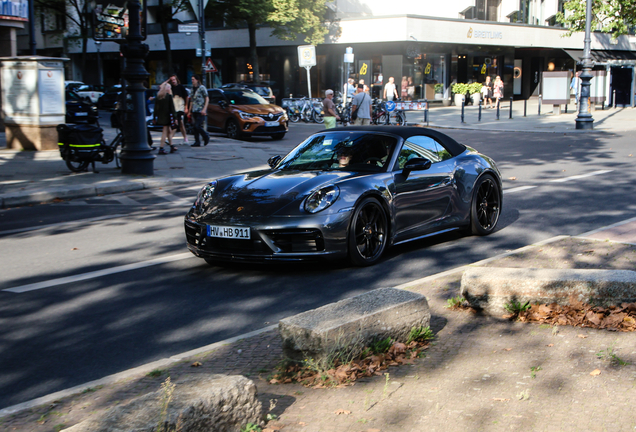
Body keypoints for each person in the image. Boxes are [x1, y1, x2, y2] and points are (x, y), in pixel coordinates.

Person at [154, 82, 178, 155]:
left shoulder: (158, 97)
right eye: (169, 88)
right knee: (165, 132)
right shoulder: (169, 96)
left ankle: (171, 146)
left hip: (161, 117)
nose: (170, 89)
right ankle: (161, 148)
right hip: (167, 117)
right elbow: (172, 108)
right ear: (167, 88)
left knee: (168, 132)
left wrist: (155, 117)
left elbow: (156, 108)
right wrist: (175, 117)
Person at [167, 75, 189, 145]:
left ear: (177, 80)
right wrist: (168, 80)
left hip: (180, 107)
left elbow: (186, 97)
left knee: (178, 121)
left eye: (174, 79)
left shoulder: (181, 87)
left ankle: (170, 137)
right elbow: (161, 86)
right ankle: (185, 138)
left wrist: (186, 107)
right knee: (181, 124)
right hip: (174, 107)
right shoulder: (170, 88)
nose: (173, 81)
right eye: (172, 80)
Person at [189, 74, 209, 147]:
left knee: (198, 125)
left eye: (193, 79)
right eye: (191, 80)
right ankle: (197, 141)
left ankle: (205, 136)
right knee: (195, 127)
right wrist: (189, 110)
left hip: (200, 110)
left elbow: (207, 98)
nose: (192, 81)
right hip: (194, 110)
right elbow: (191, 100)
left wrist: (204, 109)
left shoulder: (202, 88)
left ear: (197, 80)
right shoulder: (192, 89)